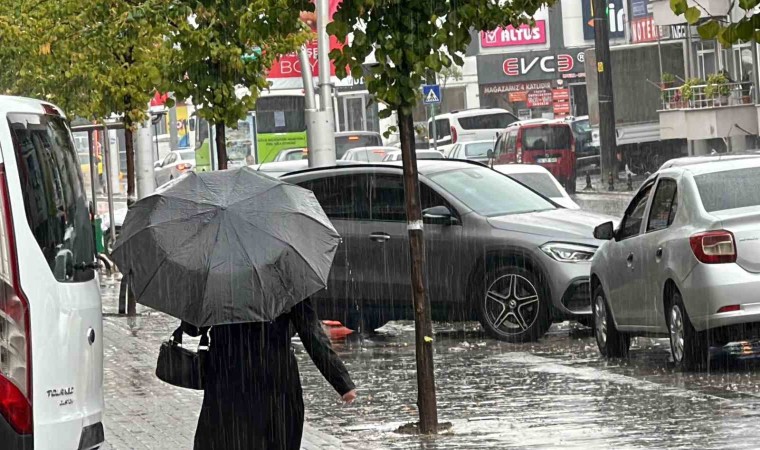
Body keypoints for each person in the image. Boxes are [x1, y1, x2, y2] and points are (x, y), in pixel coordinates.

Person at [187, 299, 356, 450]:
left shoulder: (217, 279)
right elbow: (310, 332)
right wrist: (342, 382)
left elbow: (192, 329)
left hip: (227, 381)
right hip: (275, 382)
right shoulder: (284, 278)